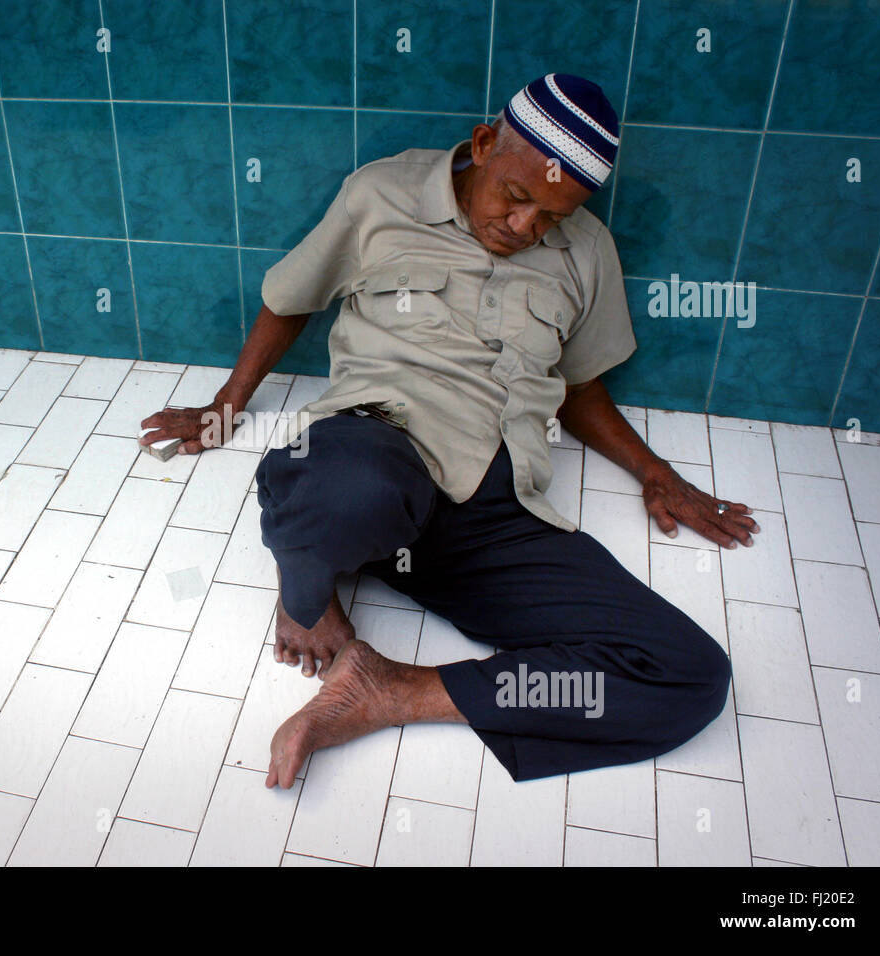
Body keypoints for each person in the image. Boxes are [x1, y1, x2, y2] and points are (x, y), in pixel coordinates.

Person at [138, 74, 755, 787]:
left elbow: (581, 389)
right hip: (377, 451)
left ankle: (391, 690)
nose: (525, 229)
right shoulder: (382, 194)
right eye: (517, 198)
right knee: (348, 483)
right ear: (485, 145)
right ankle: (303, 588)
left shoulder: (588, 253)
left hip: (494, 516)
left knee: (689, 676)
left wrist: (655, 472)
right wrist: (227, 405)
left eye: (550, 218)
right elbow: (290, 298)